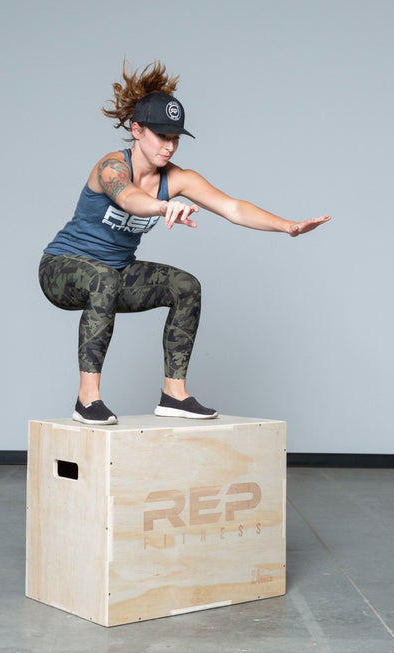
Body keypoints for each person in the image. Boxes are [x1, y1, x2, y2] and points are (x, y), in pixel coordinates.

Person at [39, 61, 329, 425]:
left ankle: (174, 393)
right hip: (61, 269)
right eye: (162, 136)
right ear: (137, 130)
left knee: (185, 286)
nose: (170, 147)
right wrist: (163, 207)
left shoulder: (178, 178)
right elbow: (128, 199)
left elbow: (233, 208)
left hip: (115, 273)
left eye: (175, 138)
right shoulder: (111, 166)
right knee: (104, 279)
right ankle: (87, 399)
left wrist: (287, 226)